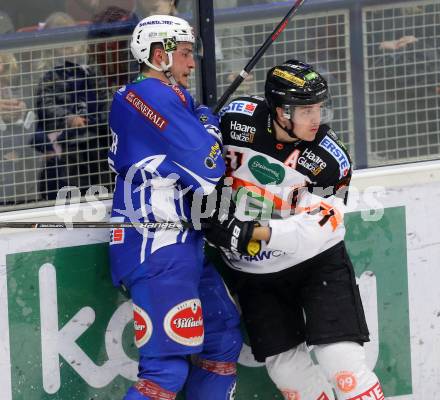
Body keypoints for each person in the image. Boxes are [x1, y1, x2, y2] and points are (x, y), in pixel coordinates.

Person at [205, 60, 384, 399]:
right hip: (254, 274)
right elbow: (200, 166)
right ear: (279, 110)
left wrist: (250, 232)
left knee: (341, 362)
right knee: (288, 371)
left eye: (318, 107)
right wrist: (208, 214)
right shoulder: (234, 121)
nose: (315, 118)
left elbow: (312, 230)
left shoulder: (331, 160)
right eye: (305, 110)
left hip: (316, 263)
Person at [107, 14, 256, 400]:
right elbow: (209, 170)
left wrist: (201, 121)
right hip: (156, 245)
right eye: (186, 54)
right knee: (164, 373)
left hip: (182, 241)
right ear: (159, 54)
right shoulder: (147, 96)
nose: (192, 63)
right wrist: (207, 125)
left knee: (221, 342)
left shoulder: (171, 96)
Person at [32, 12, 110, 200]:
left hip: (95, 134)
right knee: (73, 182)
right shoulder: (49, 73)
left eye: (72, 40)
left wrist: (103, 116)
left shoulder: (88, 68)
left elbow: (103, 94)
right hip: (67, 140)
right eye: (63, 42)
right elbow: (45, 104)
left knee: (103, 173)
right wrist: (67, 118)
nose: (69, 47)